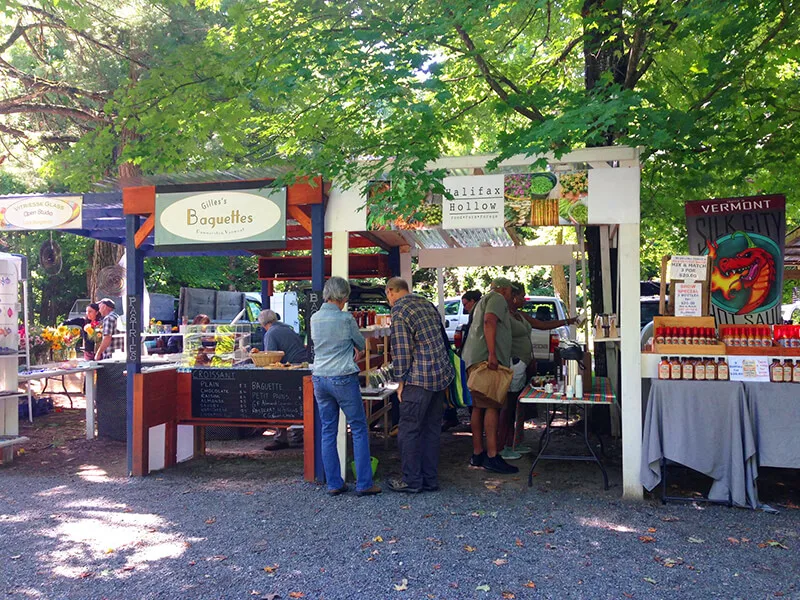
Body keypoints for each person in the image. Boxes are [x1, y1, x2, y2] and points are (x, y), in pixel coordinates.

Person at [310, 276, 380, 497]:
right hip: (343, 376)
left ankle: (334, 483)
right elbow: (361, 344)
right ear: (343, 297)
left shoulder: (314, 318)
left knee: (328, 429)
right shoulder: (346, 319)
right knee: (358, 427)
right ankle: (364, 483)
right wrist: (354, 348)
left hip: (319, 377)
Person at [385, 277, 454, 494]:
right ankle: (430, 479)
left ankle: (412, 480)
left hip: (418, 378)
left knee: (409, 430)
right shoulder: (426, 303)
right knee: (431, 430)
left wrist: (400, 381)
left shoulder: (399, 310)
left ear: (390, 291)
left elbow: (402, 350)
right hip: (440, 376)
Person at [460, 277, 517, 474]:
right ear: (503, 289)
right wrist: (493, 353)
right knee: (492, 404)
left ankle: (477, 453)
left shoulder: (482, 300)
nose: (512, 295)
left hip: (472, 358)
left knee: (478, 406)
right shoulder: (497, 299)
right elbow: (489, 321)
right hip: (486, 359)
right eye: (511, 291)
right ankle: (492, 456)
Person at [259, 309, 309, 450]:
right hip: (301, 367)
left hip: (289, 371)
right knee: (300, 402)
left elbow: (272, 357)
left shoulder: (271, 333)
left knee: (278, 400)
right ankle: (297, 434)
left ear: (263, 324)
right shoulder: (287, 329)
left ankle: (281, 437)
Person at [442, 289, 482, 431]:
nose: (464, 308)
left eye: (466, 304)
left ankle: (475, 422)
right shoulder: (474, 315)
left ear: (473, 302)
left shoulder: (478, 314)